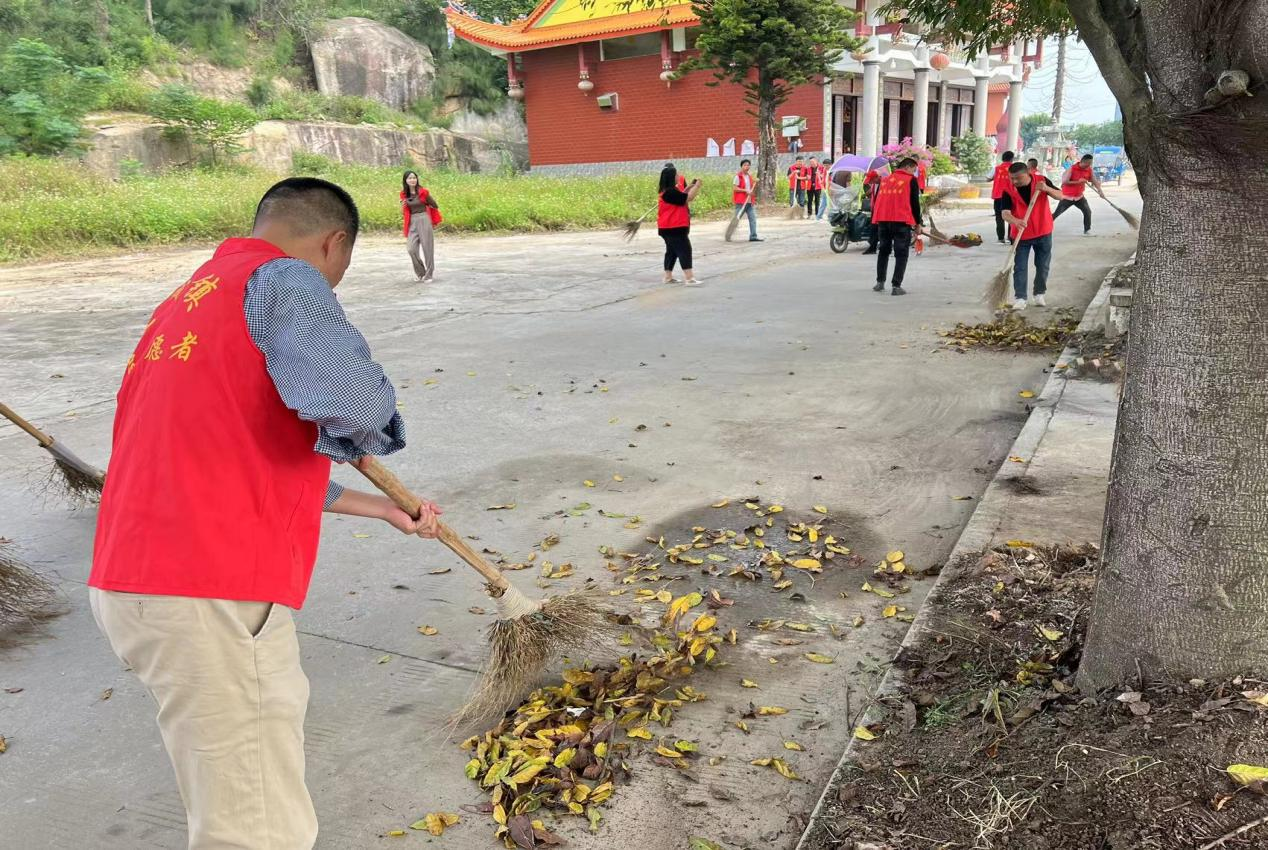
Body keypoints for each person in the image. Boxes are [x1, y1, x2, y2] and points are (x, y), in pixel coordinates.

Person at [89, 177, 444, 850]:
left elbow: (241, 456)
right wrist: (352, 428)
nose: (332, 285)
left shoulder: (194, 300)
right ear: (332, 244)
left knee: (232, 802)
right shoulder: (286, 281)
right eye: (338, 272)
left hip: (135, 583)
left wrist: (382, 509)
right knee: (255, 829)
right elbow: (359, 407)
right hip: (208, 591)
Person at [1001, 161, 1065, 310]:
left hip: (1043, 231)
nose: (1014, 181)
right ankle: (1020, 298)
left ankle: (1039, 293)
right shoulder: (1008, 189)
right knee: (1020, 267)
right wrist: (1015, 221)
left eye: (1018, 178)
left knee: (1043, 266)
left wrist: (1046, 188)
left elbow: (1061, 196)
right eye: (1012, 178)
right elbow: (1005, 213)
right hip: (1021, 235)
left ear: (1028, 174)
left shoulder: (1041, 181)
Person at [870, 157, 922, 296]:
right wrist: (918, 223)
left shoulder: (885, 180)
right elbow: (914, 203)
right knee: (901, 253)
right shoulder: (910, 180)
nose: (914, 173)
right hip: (901, 221)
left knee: (884, 251)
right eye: (914, 170)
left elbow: (878, 200)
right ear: (907, 167)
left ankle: (880, 283)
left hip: (883, 221)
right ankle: (896, 286)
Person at [658, 163, 702, 285]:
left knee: (671, 251)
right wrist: (697, 187)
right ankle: (689, 278)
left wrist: (688, 188)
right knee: (684, 249)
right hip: (673, 227)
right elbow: (688, 198)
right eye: (676, 174)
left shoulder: (669, 191)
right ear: (672, 177)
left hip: (667, 227)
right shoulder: (669, 193)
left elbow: (683, 195)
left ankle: (668, 277)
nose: (679, 176)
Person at [401, 170, 440, 282]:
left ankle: (429, 275)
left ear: (417, 179)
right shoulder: (404, 194)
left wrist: (432, 217)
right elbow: (404, 212)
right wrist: (403, 206)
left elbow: (435, 205)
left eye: (414, 178)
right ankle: (421, 273)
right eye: (410, 178)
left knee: (427, 248)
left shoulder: (423, 192)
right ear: (406, 181)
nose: (412, 180)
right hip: (412, 221)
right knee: (411, 249)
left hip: (424, 219)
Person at [1054, 153, 1100, 236]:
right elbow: (1065, 181)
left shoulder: (1089, 169)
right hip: (1067, 197)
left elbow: (1094, 180)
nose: (1089, 165)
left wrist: (1100, 191)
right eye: (1088, 163)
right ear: (1082, 161)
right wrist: (1078, 182)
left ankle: (1087, 230)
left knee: (1087, 211)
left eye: (1090, 163)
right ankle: (1043, 227)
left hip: (1079, 197)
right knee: (1057, 213)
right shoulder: (1072, 169)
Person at [732, 158, 761, 242]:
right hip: (740, 202)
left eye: (748, 165)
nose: (747, 167)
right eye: (745, 165)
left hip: (749, 202)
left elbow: (751, 189)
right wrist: (745, 191)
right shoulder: (738, 176)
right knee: (736, 219)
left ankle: (753, 236)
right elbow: (735, 188)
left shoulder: (750, 177)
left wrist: (752, 191)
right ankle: (729, 233)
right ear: (741, 166)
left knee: (753, 219)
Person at [990, 151, 1016, 244]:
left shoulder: (996, 168)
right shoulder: (1014, 168)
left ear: (1002, 158)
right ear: (1012, 159)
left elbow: (988, 178)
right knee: (1012, 216)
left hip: (998, 196)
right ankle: (1011, 238)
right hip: (1011, 196)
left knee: (999, 217)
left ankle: (1001, 238)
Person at [860, 166, 884, 255]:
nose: (871, 182)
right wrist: (864, 194)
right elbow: (871, 190)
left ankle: (883, 248)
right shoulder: (875, 183)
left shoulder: (884, 183)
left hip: (882, 211)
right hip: (875, 209)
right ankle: (872, 248)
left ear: (877, 177)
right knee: (873, 229)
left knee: (881, 229)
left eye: (872, 179)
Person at [806, 157, 826, 221]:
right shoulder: (808, 168)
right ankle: (809, 214)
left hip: (818, 187)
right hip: (810, 186)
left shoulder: (821, 168)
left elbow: (824, 176)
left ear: (816, 161)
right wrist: (807, 177)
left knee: (817, 201)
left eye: (813, 162)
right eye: (810, 162)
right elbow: (806, 176)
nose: (811, 163)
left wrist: (819, 174)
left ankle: (818, 214)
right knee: (809, 201)